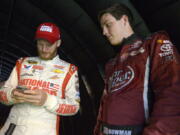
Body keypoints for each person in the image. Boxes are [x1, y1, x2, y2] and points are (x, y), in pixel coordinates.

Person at [94, 3, 180, 135]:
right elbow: (104, 107)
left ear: (124, 20)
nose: (104, 32)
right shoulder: (111, 63)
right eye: (102, 27)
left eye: (108, 24)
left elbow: (172, 93)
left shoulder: (154, 44)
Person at [0, 22, 80, 135]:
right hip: (12, 129)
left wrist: (47, 100)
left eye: (49, 45)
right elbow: (2, 94)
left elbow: (74, 107)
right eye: (40, 44)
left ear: (58, 43)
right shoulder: (22, 63)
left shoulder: (70, 70)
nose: (44, 49)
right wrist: (12, 95)